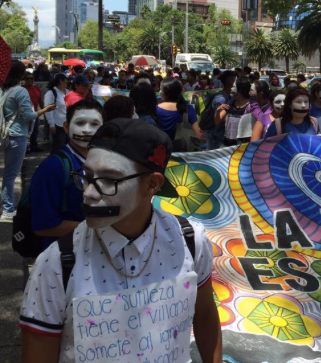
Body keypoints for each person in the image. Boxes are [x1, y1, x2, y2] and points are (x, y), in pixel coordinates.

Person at [20, 118, 222, 363]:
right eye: (87, 176)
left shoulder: (189, 241)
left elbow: (205, 315)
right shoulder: (56, 264)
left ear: (152, 184)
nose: (89, 193)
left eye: (109, 180)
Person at [30, 100, 104, 252]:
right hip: (64, 255)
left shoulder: (104, 163)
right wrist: (99, 229)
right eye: (80, 123)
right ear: (66, 126)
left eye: (95, 124)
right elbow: (43, 226)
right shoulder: (52, 167)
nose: (87, 130)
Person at [1, 61, 56, 219]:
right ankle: (8, 209)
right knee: (11, 174)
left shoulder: (5, 90)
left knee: (9, 173)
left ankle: (8, 206)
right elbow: (29, 116)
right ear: (21, 75)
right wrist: (45, 110)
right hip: (18, 135)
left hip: (7, 134)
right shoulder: (20, 91)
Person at [157, 78, 203, 150]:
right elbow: (197, 134)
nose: (159, 92)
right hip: (182, 152)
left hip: (160, 152)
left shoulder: (155, 109)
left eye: (160, 89)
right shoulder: (188, 109)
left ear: (164, 93)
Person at [205, 70, 236, 150]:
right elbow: (219, 120)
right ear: (230, 81)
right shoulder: (221, 99)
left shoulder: (229, 96)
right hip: (216, 137)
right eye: (234, 80)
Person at [215, 77, 251, 146]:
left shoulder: (251, 107)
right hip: (228, 145)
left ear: (240, 90)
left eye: (234, 87)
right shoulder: (230, 104)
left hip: (243, 147)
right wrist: (218, 111)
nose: (231, 89)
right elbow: (217, 122)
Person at [45, 73, 70, 153]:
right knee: (58, 149)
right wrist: (51, 125)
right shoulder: (51, 93)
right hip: (58, 126)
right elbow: (48, 110)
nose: (67, 81)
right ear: (60, 81)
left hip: (68, 125)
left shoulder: (68, 92)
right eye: (66, 80)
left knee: (68, 149)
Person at [23, 72, 44, 153]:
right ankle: (25, 148)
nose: (29, 80)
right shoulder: (22, 89)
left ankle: (34, 146)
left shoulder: (36, 88)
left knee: (35, 131)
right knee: (26, 131)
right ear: (24, 80)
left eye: (31, 78)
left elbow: (40, 100)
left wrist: (44, 109)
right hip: (25, 113)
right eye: (27, 78)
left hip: (35, 113)